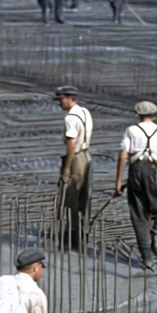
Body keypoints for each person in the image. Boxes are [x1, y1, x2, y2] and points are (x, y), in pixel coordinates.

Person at [114, 100, 157, 269]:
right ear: (154, 115)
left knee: (139, 215)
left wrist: (119, 182)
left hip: (136, 171)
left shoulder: (131, 130)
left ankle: (148, 259)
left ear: (138, 114)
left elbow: (123, 155)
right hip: (154, 171)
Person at [55, 86, 93, 250]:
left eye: (61, 99)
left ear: (71, 98)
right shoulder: (84, 112)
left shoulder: (70, 118)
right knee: (84, 198)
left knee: (71, 199)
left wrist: (66, 168)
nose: (59, 103)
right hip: (87, 156)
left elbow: (72, 144)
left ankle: (73, 238)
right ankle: (83, 233)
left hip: (76, 159)